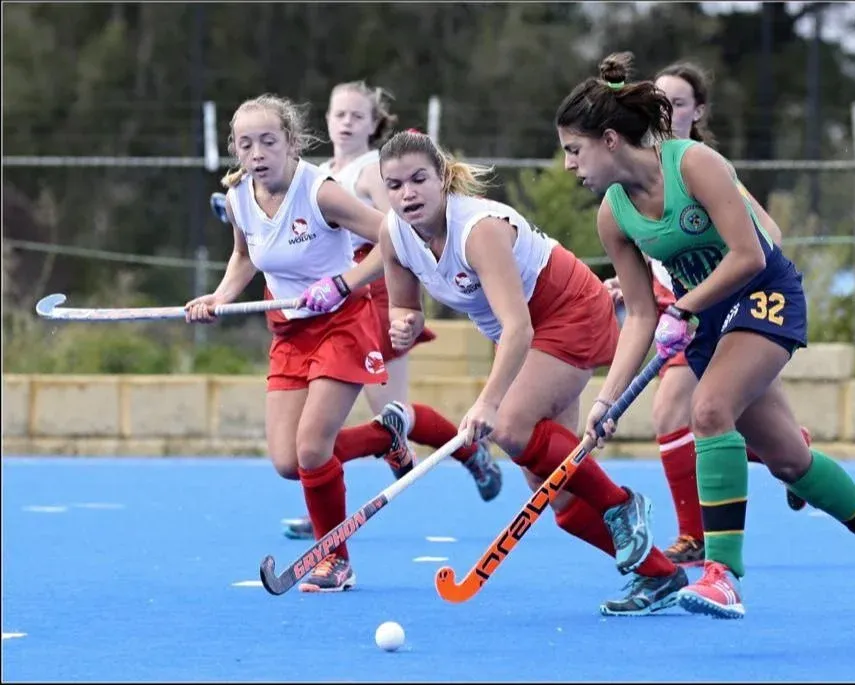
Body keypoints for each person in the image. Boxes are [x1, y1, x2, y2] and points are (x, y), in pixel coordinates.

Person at [556, 52, 855, 619]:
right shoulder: (613, 216)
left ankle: (723, 575)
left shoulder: (694, 165)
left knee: (708, 411)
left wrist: (684, 305)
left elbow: (751, 253)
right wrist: (605, 401)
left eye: (573, 150)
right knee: (789, 461)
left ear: (609, 140)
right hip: (710, 323)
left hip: (764, 293)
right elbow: (639, 316)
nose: (568, 165)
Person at [376, 129, 689, 616]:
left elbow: (517, 327)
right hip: (522, 333)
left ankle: (621, 505)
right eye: (395, 185)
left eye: (419, 179)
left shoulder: (478, 230)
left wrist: (488, 402)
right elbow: (405, 307)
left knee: (510, 427)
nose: (408, 194)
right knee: (558, 497)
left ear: (442, 179)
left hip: (569, 311)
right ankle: (659, 574)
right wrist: (405, 323)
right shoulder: (394, 235)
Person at [188, 93, 413, 593]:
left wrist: (344, 283)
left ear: (291, 143)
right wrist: (219, 297)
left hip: (342, 321)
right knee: (289, 462)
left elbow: (394, 238)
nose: (257, 153)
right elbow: (245, 256)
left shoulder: (321, 192)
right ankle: (384, 437)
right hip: (290, 329)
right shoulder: (239, 196)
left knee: (312, 449)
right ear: (235, 149)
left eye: (269, 141)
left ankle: (335, 559)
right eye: (246, 144)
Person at [269, 81, 503, 540]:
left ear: (374, 124)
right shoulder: (317, 172)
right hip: (326, 303)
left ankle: (468, 451)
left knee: (391, 412)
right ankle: (323, 500)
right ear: (326, 120)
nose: (346, 123)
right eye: (339, 114)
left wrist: (363, 285)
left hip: (371, 293)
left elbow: (397, 233)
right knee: (343, 424)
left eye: (357, 115)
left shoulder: (373, 172)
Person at [600, 59, 811, 567]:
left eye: (677, 104)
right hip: (680, 309)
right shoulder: (629, 185)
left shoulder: (701, 166)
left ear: (697, 112)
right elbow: (660, 249)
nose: (665, 112)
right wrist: (639, 284)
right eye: (659, 102)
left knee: (679, 410)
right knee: (735, 427)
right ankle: (783, 455)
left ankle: (701, 539)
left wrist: (704, 293)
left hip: (726, 306)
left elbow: (766, 236)